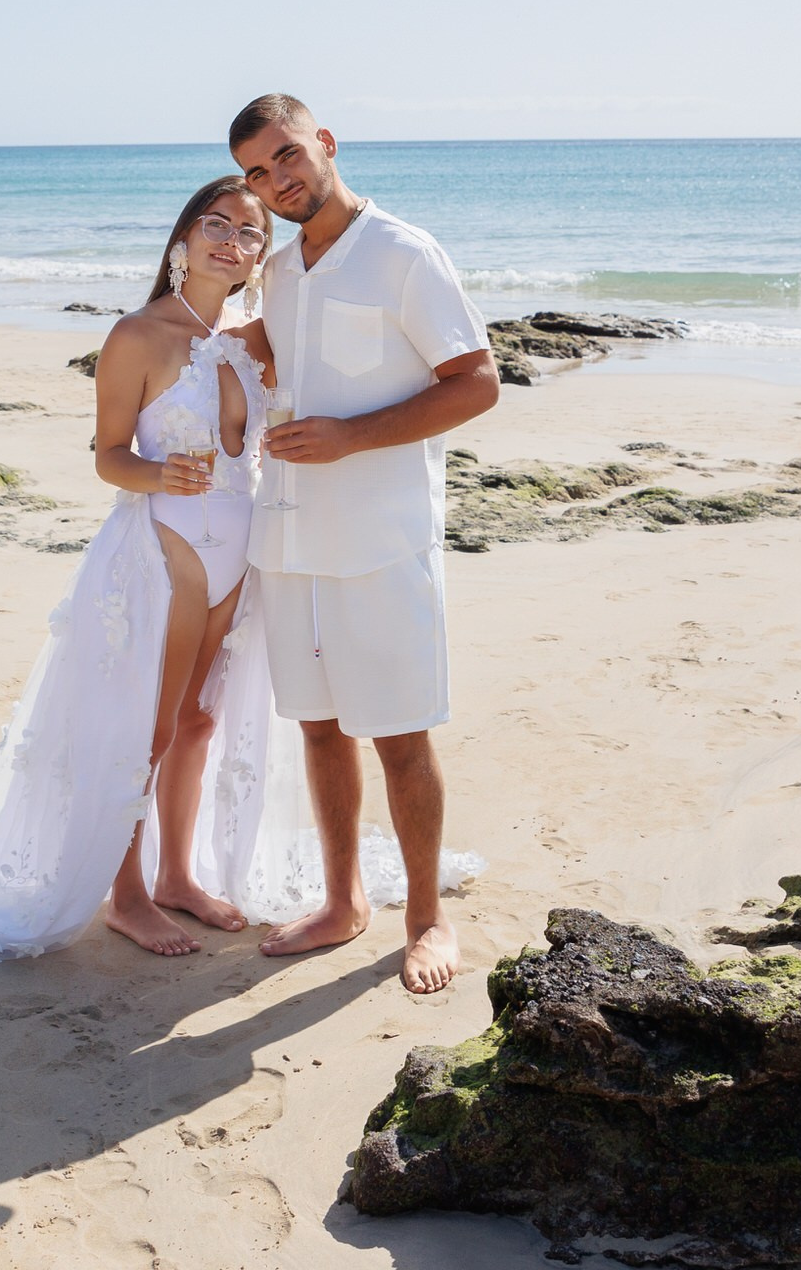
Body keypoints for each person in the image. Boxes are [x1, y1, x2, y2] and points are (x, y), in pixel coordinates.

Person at [0, 178, 477, 989]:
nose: (232, 240)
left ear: (263, 255)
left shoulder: (254, 338)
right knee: (142, 731)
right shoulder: (135, 336)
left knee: (198, 724)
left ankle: (178, 876)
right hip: (166, 550)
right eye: (214, 225)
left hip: (242, 551)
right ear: (180, 242)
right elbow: (106, 454)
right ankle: (127, 895)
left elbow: (353, 359)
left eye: (251, 232)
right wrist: (156, 474)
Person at [230, 93, 500, 994]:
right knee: (316, 727)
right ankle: (344, 901)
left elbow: (477, 383)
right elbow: (271, 350)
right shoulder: (280, 267)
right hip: (288, 536)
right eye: (260, 174)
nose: (279, 182)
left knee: (398, 738)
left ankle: (426, 917)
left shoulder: (403, 253)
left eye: (288, 157)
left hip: (381, 541)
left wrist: (352, 436)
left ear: (326, 143)